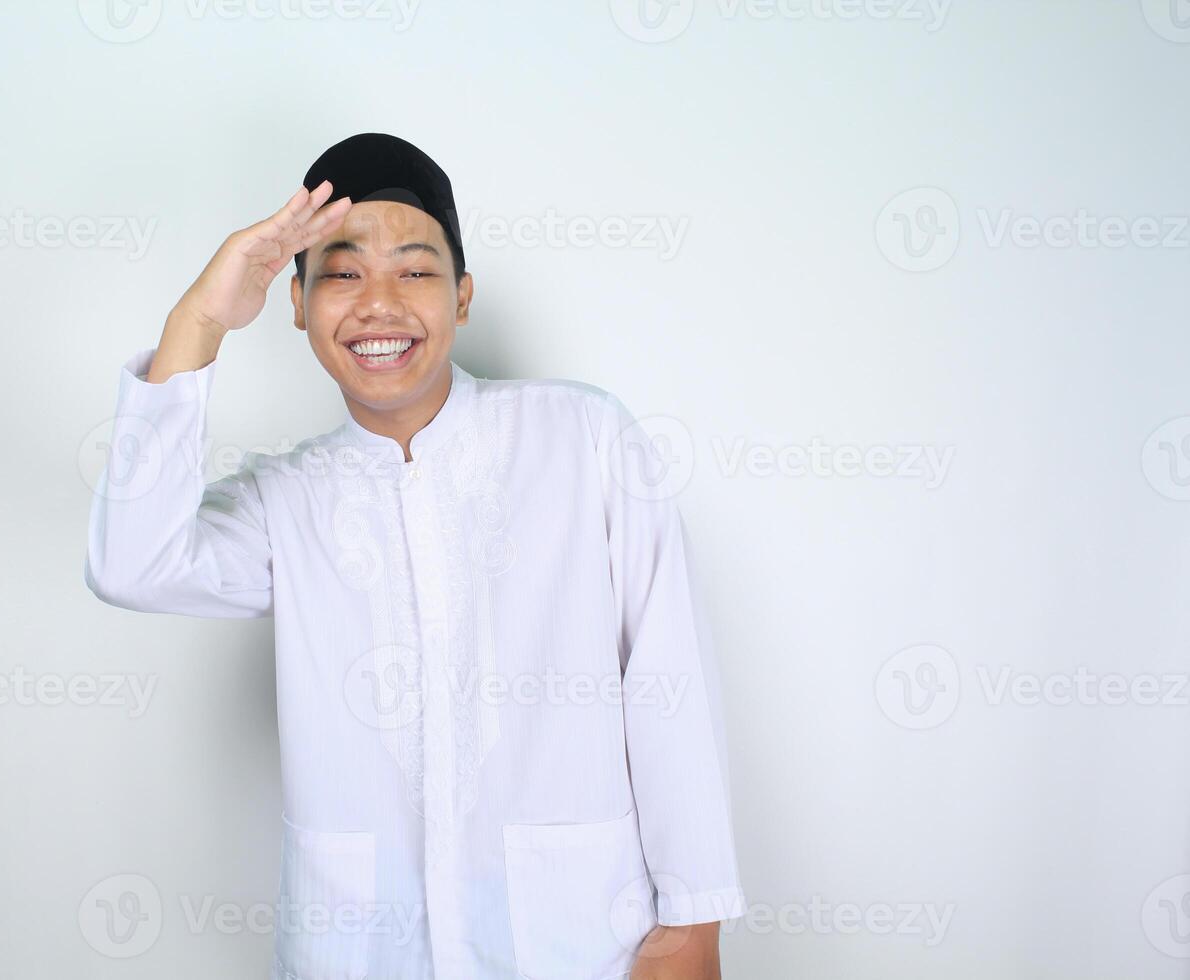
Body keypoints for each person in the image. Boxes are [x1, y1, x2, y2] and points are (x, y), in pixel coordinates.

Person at [84, 133, 745, 979]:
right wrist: (199, 319)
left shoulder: (581, 438)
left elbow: (669, 678)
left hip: (581, 942)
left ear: (463, 297)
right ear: (295, 302)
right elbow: (130, 565)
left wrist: (695, 921)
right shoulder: (284, 501)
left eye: (416, 270)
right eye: (343, 272)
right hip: (360, 953)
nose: (379, 305)